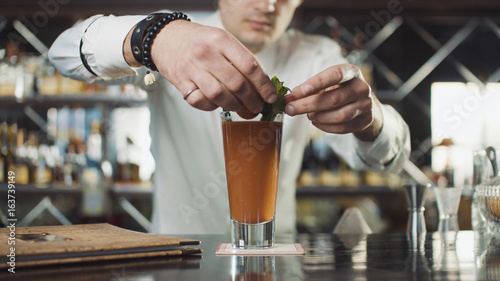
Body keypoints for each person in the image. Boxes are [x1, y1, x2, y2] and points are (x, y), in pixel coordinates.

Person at [48, 0, 411, 235]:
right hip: (176, 261)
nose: (269, 6)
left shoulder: (317, 55)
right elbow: (63, 53)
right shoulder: (180, 37)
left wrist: (371, 120)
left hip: (272, 259)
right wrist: (154, 37)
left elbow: (389, 161)